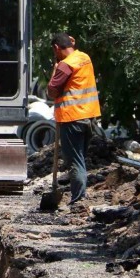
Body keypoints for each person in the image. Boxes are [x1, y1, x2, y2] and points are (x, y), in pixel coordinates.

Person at [47, 33, 101, 205]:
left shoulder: (65, 65)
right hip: (88, 117)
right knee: (80, 158)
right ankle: (80, 195)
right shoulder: (85, 58)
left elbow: (52, 91)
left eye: (54, 51)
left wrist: (54, 70)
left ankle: (78, 200)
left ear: (56, 48)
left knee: (75, 161)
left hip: (72, 119)